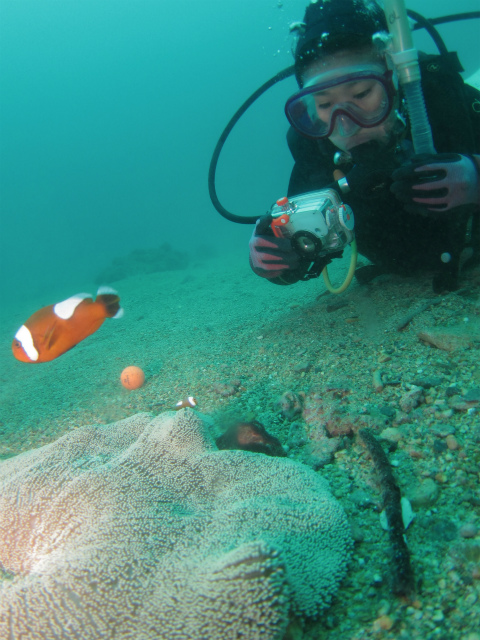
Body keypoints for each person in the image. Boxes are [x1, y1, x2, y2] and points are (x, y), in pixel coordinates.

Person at [249, 0, 480, 292]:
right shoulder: (314, 146)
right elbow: (297, 244)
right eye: (324, 104)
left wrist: (476, 174)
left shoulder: (439, 100)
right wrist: (274, 256)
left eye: (361, 94)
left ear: (394, 80)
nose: (347, 125)